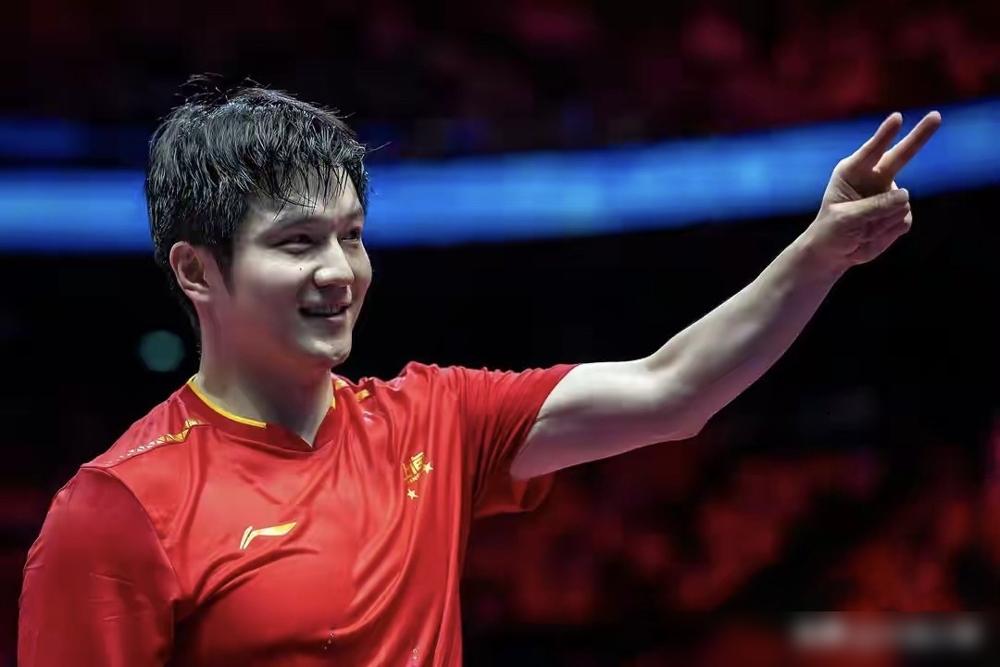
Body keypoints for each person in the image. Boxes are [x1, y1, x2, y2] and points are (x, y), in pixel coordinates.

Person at [18, 77, 940, 665]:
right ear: (196, 271)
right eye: (297, 243)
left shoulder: (436, 418)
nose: (340, 272)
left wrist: (818, 254)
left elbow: (673, 390)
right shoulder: (119, 509)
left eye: (351, 236)